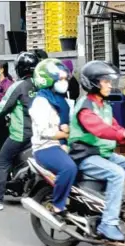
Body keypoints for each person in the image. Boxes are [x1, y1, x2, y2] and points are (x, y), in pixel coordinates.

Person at [68, 60, 125, 241]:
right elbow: (100, 129)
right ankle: (108, 223)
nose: (109, 85)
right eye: (105, 81)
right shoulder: (85, 107)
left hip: (104, 154)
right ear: (93, 83)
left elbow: (115, 127)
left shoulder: (104, 105)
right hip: (85, 155)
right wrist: (124, 134)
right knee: (117, 174)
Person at [0, 51, 39, 211]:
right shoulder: (38, 85)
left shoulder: (18, 86)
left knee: (2, 162)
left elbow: (2, 108)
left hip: (21, 134)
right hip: (37, 133)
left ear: (19, 68)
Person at [29, 58, 78, 217]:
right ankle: (58, 205)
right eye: (60, 79)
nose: (64, 83)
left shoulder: (60, 100)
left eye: (65, 79)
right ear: (49, 81)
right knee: (68, 168)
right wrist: (64, 133)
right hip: (45, 147)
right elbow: (44, 131)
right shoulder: (41, 102)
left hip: (60, 144)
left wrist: (67, 133)